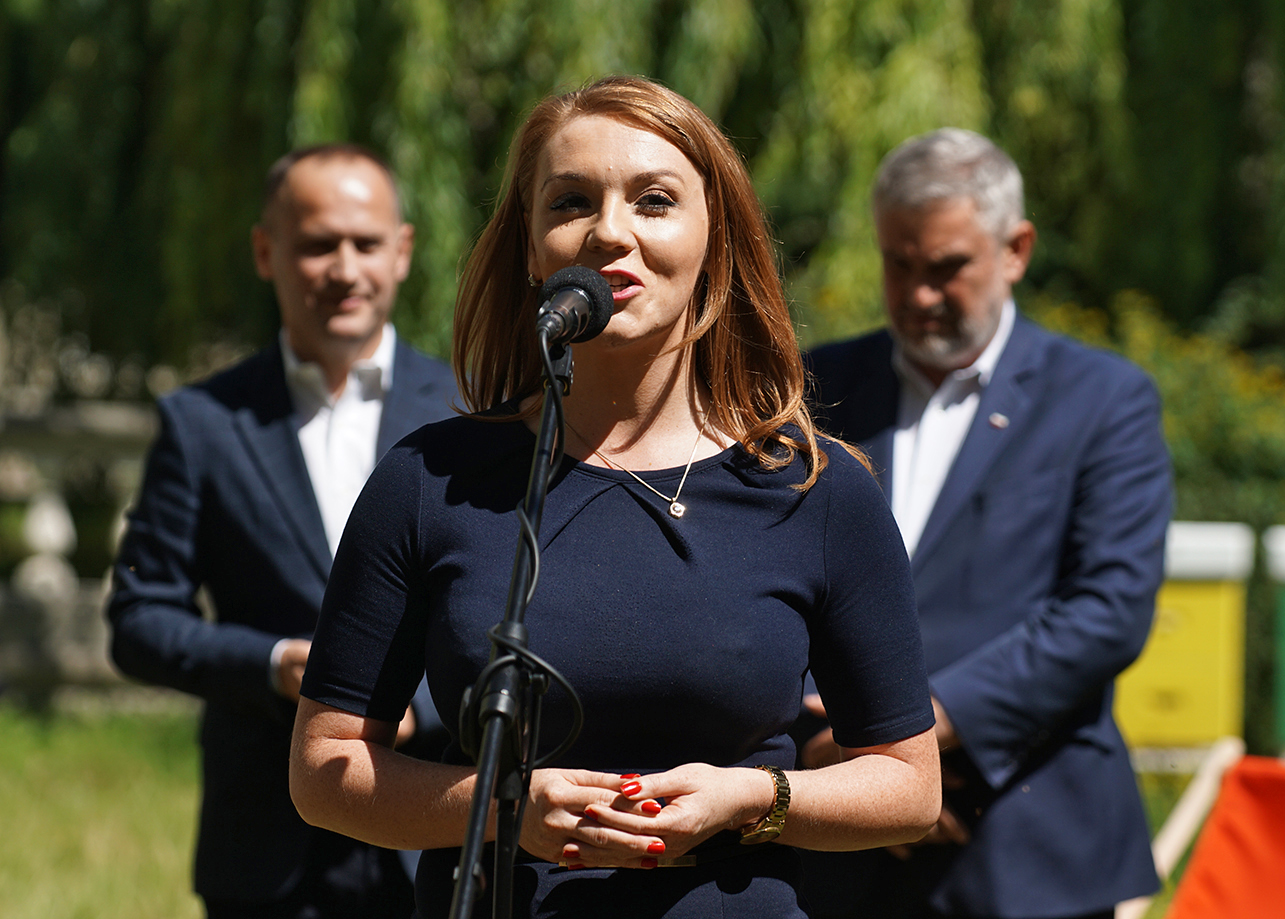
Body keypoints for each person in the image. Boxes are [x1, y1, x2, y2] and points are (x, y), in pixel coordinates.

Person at [288, 75, 942, 919]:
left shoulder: (816, 490)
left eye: (654, 201)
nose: (609, 231)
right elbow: (325, 769)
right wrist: (503, 810)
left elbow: (908, 786)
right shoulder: (429, 479)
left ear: (715, 239)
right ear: (531, 247)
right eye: (570, 202)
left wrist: (753, 797)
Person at [800, 128, 1173, 919]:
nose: (918, 295)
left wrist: (913, 739)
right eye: (898, 264)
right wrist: (838, 766)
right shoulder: (812, 387)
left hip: (1025, 839)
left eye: (946, 267)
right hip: (832, 838)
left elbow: (1107, 610)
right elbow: (760, 575)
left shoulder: (1102, 400)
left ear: (1016, 250)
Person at [107, 144, 458, 919]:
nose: (345, 269)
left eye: (366, 243)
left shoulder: (473, 412)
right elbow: (138, 619)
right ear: (266, 252)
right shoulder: (201, 423)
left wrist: (425, 706)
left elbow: (517, 609)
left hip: (437, 830)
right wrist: (271, 665)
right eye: (318, 244)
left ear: (402, 251)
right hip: (268, 848)